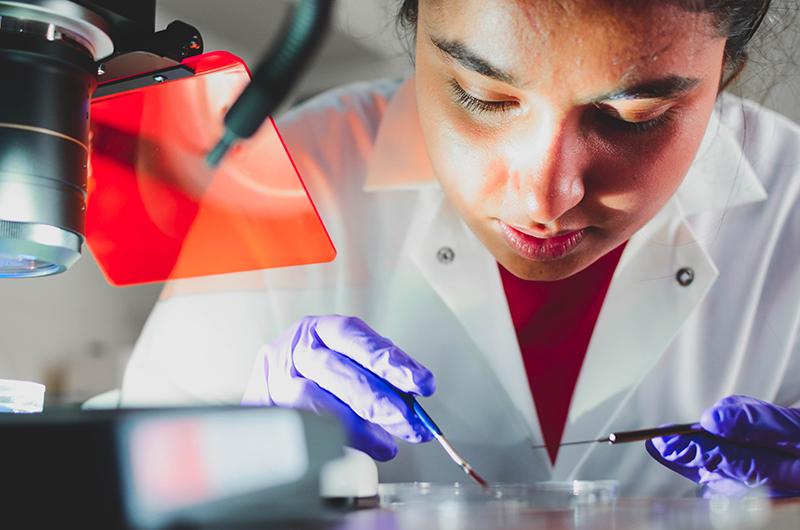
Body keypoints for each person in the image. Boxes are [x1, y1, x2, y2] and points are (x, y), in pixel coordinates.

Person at [120, 0, 800, 497]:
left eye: (632, 117)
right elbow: (127, 488)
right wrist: (238, 457)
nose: (545, 197)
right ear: (417, 41)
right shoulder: (291, 175)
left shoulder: (790, 199)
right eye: (481, 95)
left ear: (726, 74)